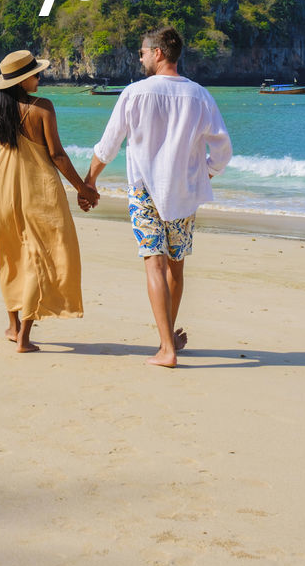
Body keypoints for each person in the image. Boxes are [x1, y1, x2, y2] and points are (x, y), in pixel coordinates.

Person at [86, 27, 232, 368]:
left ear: (159, 54)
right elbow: (223, 150)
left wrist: (89, 181)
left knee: (154, 263)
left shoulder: (134, 94)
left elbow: (108, 145)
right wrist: (205, 173)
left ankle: (167, 347)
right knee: (176, 267)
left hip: (144, 190)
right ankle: (166, 343)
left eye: (142, 52)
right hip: (183, 192)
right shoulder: (200, 96)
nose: (140, 57)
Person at [0, 49, 99, 353]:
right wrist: (82, 188)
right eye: (35, 74)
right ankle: (24, 337)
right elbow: (56, 155)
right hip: (39, 192)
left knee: (11, 256)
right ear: (21, 80)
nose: (39, 78)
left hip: (2, 191)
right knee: (38, 258)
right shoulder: (43, 108)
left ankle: (14, 325)